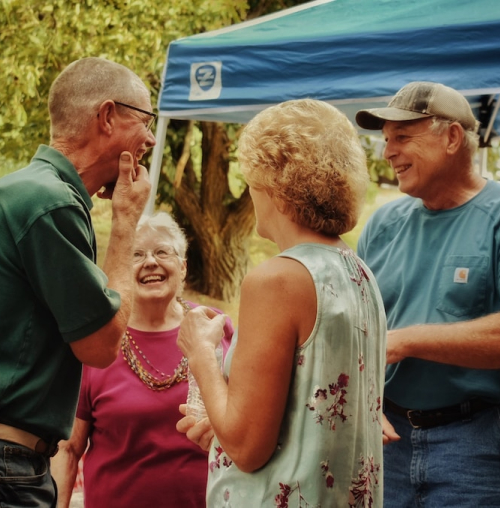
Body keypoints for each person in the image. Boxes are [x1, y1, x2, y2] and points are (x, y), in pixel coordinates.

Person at [176, 98, 387, 507]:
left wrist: (200, 351)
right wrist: (220, 422)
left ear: (273, 182)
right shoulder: (359, 273)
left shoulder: (276, 280)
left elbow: (247, 446)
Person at [0, 57, 154, 506]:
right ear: (106, 117)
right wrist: (125, 220)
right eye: (145, 122)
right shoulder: (50, 202)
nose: (149, 139)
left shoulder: (22, 189)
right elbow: (101, 346)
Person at [355, 81, 500, 507]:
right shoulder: (382, 225)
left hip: (476, 446)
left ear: (452, 137)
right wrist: (366, 399)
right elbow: (353, 328)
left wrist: (405, 341)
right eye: (385, 140)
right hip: (385, 441)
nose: (388, 152)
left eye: (402, 137)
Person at [51, 211, 234, 508]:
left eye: (162, 251)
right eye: (137, 255)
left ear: (184, 267)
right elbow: (69, 448)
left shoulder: (215, 326)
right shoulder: (97, 342)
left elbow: (248, 421)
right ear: (123, 270)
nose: (151, 262)